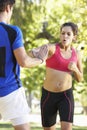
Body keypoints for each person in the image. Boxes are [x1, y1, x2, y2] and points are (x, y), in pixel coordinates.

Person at [0, 0, 48, 130]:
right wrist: (40, 59)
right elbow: (24, 62)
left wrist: (30, 53)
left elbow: (6, 57)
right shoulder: (12, 31)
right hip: (10, 92)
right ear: (8, 8)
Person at [29, 22, 83, 130]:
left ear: (74, 37)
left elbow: (80, 79)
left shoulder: (76, 54)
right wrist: (36, 54)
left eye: (68, 34)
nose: (65, 36)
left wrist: (75, 69)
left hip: (66, 96)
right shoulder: (51, 48)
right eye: (63, 33)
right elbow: (29, 53)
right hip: (48, 96)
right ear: (60, 35)